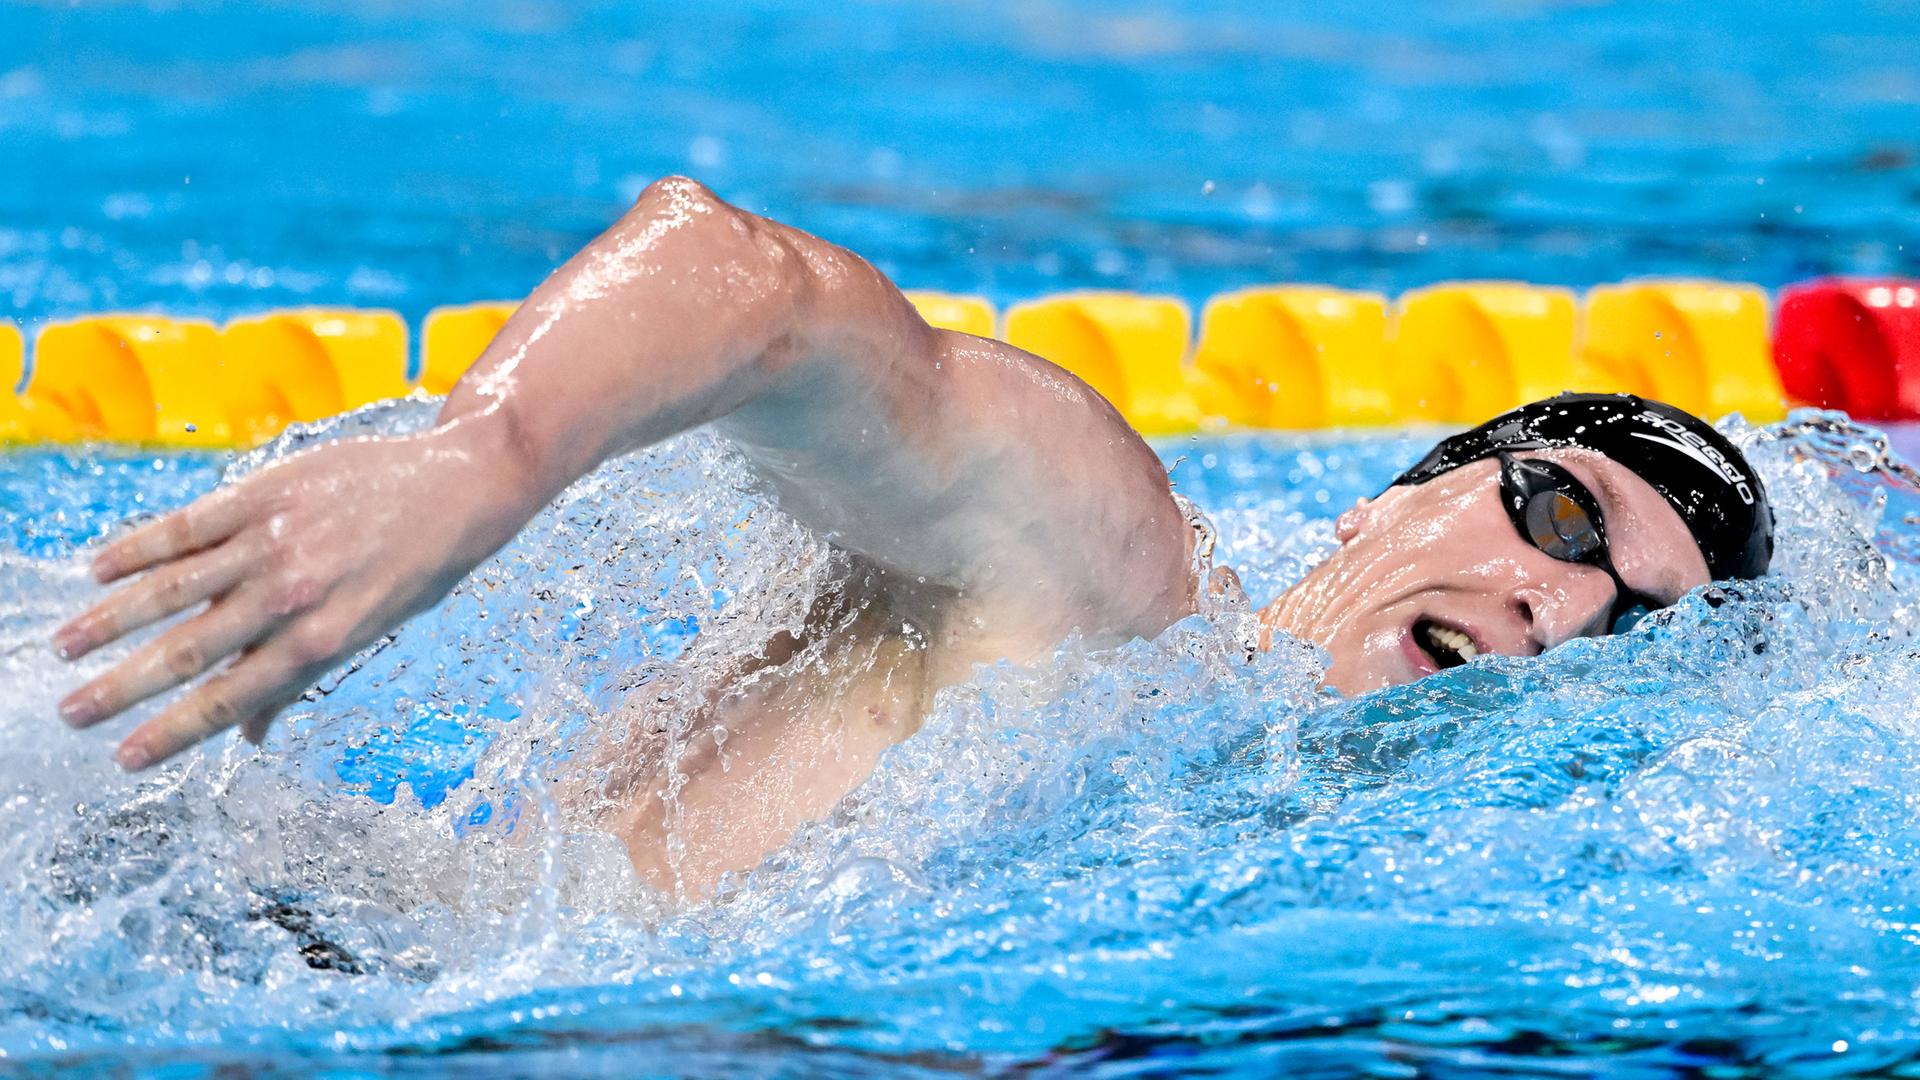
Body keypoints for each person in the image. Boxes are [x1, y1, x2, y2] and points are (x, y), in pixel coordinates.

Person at [47, 177, 1773, 892]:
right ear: (1396, 495)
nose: (1557, 601)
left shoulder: (1251, 819)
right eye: (1559, 512)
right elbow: (749, 278)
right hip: (247, 938)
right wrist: (482, 457)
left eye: (1624, 621)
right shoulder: (1114, 571)